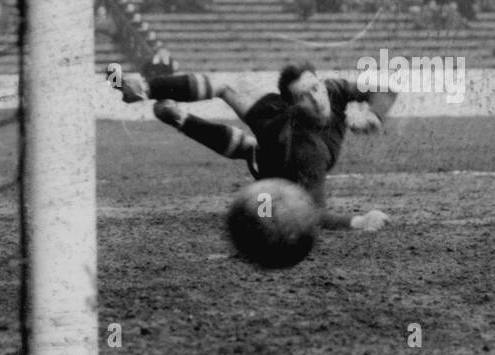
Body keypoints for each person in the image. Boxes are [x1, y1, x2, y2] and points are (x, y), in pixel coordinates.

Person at [110, 60, 393, 232]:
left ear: (321, 82)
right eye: (305, 97)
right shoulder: (307, 152)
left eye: (315, 88)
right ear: (293, 105)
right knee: (249, 146)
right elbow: (313, 213)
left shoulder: (334, 89)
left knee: (241, 125)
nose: (317, 99)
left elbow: (386, 87)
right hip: (275, 167)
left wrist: (374, 114)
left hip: (278, 137)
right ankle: (155, 98)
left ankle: (160, 100)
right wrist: (359, 222)